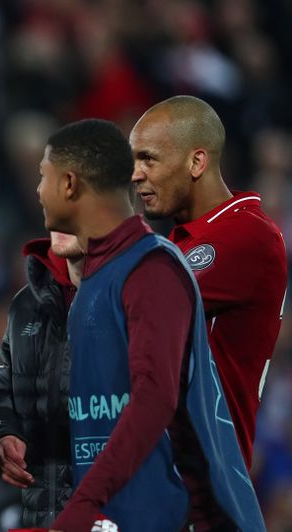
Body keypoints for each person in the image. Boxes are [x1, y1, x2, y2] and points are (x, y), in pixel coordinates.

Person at [36, 119, 262, 531]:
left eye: (43, 177)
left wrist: (86, 501)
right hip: (120, 516)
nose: (38, 191)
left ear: (70, 184)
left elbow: (155, 397)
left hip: (185, 516)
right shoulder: (98, 279)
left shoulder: (152, 268)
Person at [129, 95, 288, 469]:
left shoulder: (248, 234)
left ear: (196, 162)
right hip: (166, 469)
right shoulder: (179, 242)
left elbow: (141, 309)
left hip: (204, 475)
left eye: (149, 159)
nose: (136, 174)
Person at [0, 231, 81, 528]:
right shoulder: (26, 303)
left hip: (112, 513)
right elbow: (2, 392)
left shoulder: (135, 291)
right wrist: (4, 434)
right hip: (38, 513)